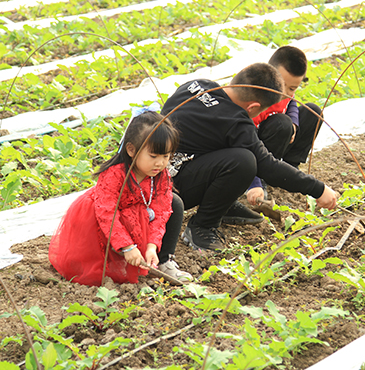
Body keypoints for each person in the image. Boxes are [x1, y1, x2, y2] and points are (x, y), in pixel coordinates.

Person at [161, 62, 338, 252]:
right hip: (170, 192)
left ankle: (222, 205)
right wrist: (318, 189)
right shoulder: (235, 122)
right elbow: (268, 166)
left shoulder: (197, 84)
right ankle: (202, 226)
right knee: (244, 161)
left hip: (152, 173)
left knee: (229, 152)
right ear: (253, 107)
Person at [49, 108, 193, 286]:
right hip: (103, 222)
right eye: (153, 156)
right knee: (100, 264)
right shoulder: (114, 176)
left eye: (166, 156)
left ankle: (163, 261)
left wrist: (152, 246)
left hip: (137, 216)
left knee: (174, 203)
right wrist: (127, 246)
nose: (160, 163)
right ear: (131, 150)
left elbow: (161, 211)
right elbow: (107, 214)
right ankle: (118, 258)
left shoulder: (160, 175)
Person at [246, 46, 323, 205]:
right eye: (282, 85)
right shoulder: (253, 98)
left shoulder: (285, 94)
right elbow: (244, 142)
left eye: (292, 88)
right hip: (255, 153)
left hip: (278, 142)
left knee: (313, 112)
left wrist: (295, 122)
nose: (285, 92)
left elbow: (291, 103)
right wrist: (253, 182)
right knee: (282, 123)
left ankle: (289, 169)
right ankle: (263, 175)